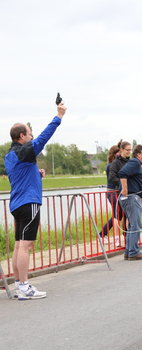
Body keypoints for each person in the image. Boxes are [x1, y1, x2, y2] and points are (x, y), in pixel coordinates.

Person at [5, 101, 66, 300]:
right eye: (29, 133)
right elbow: (43, 138)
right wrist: (58, 117)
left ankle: (18, 285)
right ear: (22, 136)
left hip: (17, 203)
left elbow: (19, 176)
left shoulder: (10, 155)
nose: (31, 136)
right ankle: (24, 286)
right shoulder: (25, 151)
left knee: (18, 245)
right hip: (29, 202)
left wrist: (35, 173)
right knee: (26, 245)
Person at [118, 144, 142, 260]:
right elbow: (122, 173)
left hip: (132, 197)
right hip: (132, 198)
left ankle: (129, 252)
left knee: (132, 225)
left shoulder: (136, 164)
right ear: (138, 154)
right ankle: (133, 252)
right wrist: (125, 189)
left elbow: (133, 179)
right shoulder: (135, 162)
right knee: (136, 225)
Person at [100, 144, 122, 246]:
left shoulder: (117, 164)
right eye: (118, 152)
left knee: (118, 214)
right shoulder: (111, 165)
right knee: (117, 214)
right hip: (112, 192)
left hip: (116, 192)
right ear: (114, 154)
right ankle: (115, 238)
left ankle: (102, 234)